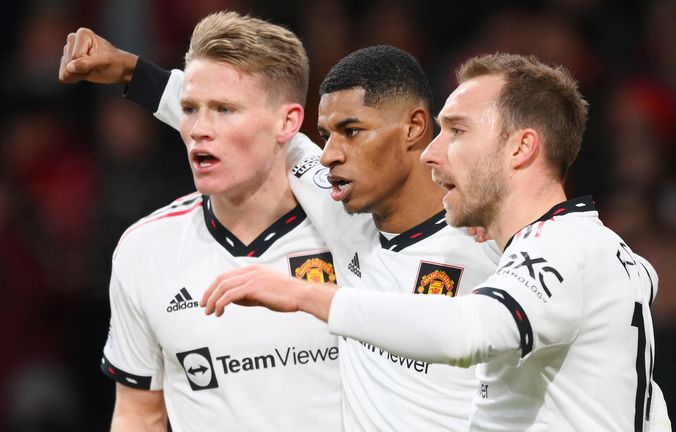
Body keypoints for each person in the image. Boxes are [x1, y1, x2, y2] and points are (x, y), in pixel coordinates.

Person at [200, 53, 673, 431]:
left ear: (521, 147)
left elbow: (472, 331)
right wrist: (141, 77)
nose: (431, 150)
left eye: (458, 131)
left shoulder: (563, 250)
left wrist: (306, 295)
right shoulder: (581, 248)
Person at [61, 36, 499, 430]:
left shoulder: (497, 247)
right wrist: (131, 71)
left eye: (350, 132)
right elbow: (247, 124)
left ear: (414, 128)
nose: (329, 155)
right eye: (327, 135)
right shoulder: (340, 211)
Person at [64, 12, 341, 431]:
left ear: (289, 122)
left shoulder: (354, 230)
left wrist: (131, 69)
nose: (198, 130)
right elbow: (139, 415)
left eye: (225, 110)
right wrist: (131, 70)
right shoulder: (145, 249)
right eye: (189, 109)